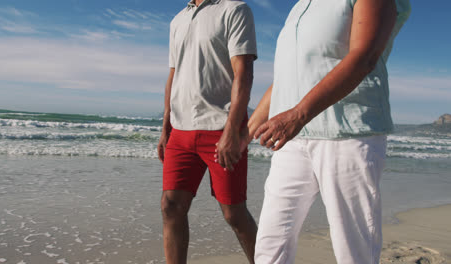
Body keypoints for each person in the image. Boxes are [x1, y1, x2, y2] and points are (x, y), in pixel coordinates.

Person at [246, 0, 411, 263]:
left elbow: (364, 56)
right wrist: (242, 135)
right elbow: (284, 79)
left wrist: (298, 114)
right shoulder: (300, 6)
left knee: (354, 247)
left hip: (348, 134)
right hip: (294, 138)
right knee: (270, 241)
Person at [157, 0, 258, 263]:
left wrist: (232, 130)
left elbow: (243, 72)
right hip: (180, 129)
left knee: (234, 213)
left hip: (219, 126)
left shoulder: (234, 9)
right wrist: (166, 124)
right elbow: (174, 73)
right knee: (171, 206)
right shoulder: (178, 19)